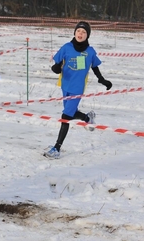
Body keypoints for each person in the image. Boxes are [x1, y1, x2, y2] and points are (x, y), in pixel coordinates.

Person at [43, 21, 112, 159]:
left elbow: (95, 66)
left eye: (84, 32)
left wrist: (102, 79)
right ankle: (88, 117)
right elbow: (56, 64)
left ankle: (57, 148)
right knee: (70, 113)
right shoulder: (66, 47)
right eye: (79, 31)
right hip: (65, 85)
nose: (81, 34)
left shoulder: (90, 51)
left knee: (65, 117)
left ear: (88, 35)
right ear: (75, 32)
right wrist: (55, 68)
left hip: (77, 88)